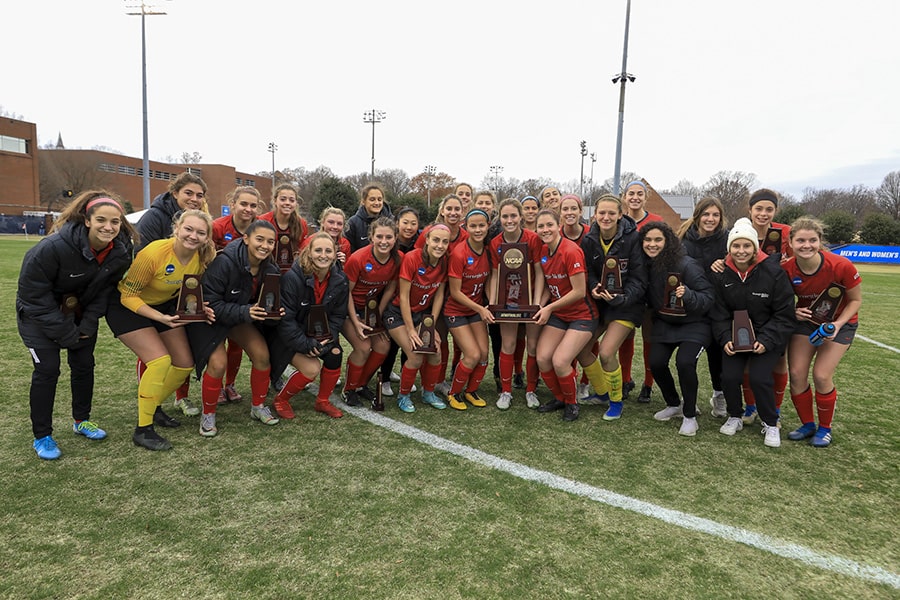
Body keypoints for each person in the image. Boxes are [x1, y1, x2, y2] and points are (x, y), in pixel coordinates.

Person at [17, 191, 136, 459]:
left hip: (81, 315)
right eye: (102, 220)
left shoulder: (120, 251)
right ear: (87, 220)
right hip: (38, 315)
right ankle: (43, 436)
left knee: (84, 366)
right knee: (47, 370)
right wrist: (64, 331)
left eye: (115, 222)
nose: (109, 227)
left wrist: (88, 323)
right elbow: (32, 296)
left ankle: (81, 420)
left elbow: (104, 291)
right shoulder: (52, 248)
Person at [108, 210, 217, 451]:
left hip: (163, 309)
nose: (193, 236)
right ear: (177, 228)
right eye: (188, 229)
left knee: (183, 364)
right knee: (159, 361)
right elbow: (128, 295)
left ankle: (153, 406)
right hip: (127, 308)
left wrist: (201, 308)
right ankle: (143, 429)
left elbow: (187, 293)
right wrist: (160, 318)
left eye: (201, 232)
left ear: (207, 237)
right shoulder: (154, 253)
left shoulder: (202, 257)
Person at [186, 220, 283, 436]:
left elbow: (270, 302)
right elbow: (210, 302)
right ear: (246, 239)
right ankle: (208, 413)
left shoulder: (270, 267)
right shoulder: (225, 262)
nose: (264, 246)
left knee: (262, 355)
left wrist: (275, 314)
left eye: (270, 242)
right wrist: (246, 312)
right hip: (211, 318)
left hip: (238, 316)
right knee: (218, 363)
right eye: (259, 239)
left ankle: (257, 407)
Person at [709, 218, 795, 448]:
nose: (741, 251)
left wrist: (766, 340)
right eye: (736, 246)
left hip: (767, 338)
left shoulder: (774, 273)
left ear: (754, 248)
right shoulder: (721, 274)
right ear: (729, 248)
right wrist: (725, 337)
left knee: (759, 377)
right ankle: (734, 416)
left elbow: (784, 314)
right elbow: (718, 313)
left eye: (746, 246)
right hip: (734, 337)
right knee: (729, 376)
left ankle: (770, 422)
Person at [782, 217, 862, 447]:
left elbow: (855, 301)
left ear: (820, 241)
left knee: (821, 375)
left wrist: (838, 325)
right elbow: (781, 301)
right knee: (797, 374)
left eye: (812, 240)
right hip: (806, 323)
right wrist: (793, 312)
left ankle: (825, 429)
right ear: (791, 242)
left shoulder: (841, 265)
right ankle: (807, 424)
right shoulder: (786, 269)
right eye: (800, 241)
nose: (806, 245)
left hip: (840, 324)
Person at [135, 171, 209, 417]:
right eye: (188, 193)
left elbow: (194, 268)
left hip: (172, 297)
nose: (194, 198)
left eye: (199, 195)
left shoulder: (201, 220)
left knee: (181, 359)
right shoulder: (155, 217)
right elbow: (142, 257)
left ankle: (157, 401)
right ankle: (148, 401)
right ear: (174, 193)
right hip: (144, 296)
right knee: (154, 356)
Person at [576, 193, 647, 420]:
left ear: (620, 215)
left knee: (606, 352)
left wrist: (623, 298)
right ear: (594, 215)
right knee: (582, 350)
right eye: (602, 213)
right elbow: (589, 272)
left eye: (611, 213)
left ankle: (616, 401)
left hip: (625, 305)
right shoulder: (589, 239)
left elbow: (640, 278)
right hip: (600, 304)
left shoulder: (633, 238)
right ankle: (603, 393)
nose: (606, 217)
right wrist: (594, 286)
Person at [641, 223, 715, 436]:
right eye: (648, 240)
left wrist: (689, 295)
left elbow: (708, 297)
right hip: (666, 322)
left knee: (685, 362)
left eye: (658, 240)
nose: (652, 245)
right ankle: (674, 404)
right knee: (655, 362)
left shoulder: (687, 265)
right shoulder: (646, 265)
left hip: (695, 323)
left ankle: (690, 415)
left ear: (668, 242)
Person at [271, 233, 349, 419]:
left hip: (319, 334)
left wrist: (327, 338)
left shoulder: (340, 278)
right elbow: (286, 320)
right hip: (290, 337)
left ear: (334, 254)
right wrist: (306, 344)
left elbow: (338, 315)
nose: (323, 255)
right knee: (312, 368)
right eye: (318, 250)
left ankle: (322, 401)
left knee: (335, 353)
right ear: (309, 252)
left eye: (328, 251)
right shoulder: (293, 277)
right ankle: (281, 400)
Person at [734, 188, 794, 424]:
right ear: (750, 210)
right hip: (749, 304)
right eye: (759, 208)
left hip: (779, 305)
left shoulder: (786, 233)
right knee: (748, 356)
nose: (763, 213)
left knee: (779, 359)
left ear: (775, 211)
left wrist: (790, 263)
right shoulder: (741, 232)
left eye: (769, 209)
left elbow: (801, 261)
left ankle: (775, 410)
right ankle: (750, 407)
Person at [532, 210, 598, 422]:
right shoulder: (544, 251)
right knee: (542, 358)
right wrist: (539, 306)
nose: (545, 230)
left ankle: (572, 403)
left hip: (582, 315)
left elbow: (579, 291)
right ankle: (560, 398)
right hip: (559, 315)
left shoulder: (570, 251)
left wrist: (549, 308)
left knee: (560, 361)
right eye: (541, 227)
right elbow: (548, 287)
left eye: (549, 225)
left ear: (558, 224)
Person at [384, 224, 451, 412]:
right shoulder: (412, 258)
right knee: (415, 354)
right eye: (436, 240)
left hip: (422, 316)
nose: (440, 245)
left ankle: (428, 392)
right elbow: (404, 297)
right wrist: (412, 330)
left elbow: (439, 295)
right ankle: (403, 395)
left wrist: (429, 325)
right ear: (427, 240)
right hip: (397, 313)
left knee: (435, 351)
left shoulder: (444, 261)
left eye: (445, 242)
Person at [211, 185, 264, 405]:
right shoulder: (217, 227)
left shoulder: (260, 227)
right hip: (220, 292)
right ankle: (216, 387)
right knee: (218, 342)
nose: (248, 209)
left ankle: (229, 385)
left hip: (246, 293)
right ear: (232, 205)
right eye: (243, 204)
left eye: (253, 205)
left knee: (237, 344)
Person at [342, 217, 402, 408]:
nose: (384, 241)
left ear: (395, 238)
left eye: (389, 237)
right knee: (363, 346)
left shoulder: (397, 258)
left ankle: (361, 385)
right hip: (346, 308)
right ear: (371, 237)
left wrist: (377, 317)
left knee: (383, 346)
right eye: (379, 236)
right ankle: (348, 389)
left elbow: (391, 289)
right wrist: (356, 320)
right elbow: (346, 293)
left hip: (371, 312)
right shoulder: (358, 258)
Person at [490, 198, 545, 410]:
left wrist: (537, 303)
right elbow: (495, 276)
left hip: (529, 302)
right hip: (508, 303)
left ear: (521, 217)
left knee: (532, 345)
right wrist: (496, 303)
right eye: (505, 216)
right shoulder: (496, 243)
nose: (509, 220)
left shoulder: (533, 239)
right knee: (508, 345)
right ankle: (506, 391)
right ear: (500, 218)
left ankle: (531, 390)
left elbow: (539, 272)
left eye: (513, 215)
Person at [678, 197, 729, 417]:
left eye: (715, 215)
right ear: (697, 216)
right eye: (706, 214)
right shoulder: (684, 240)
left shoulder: (727, 239)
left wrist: (727, 263)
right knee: (687, 357)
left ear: (721, 217)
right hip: (691, 305)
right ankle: (688, 399)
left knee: (717, 355)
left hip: (719, 305)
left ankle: (719, 396)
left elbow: (742, 262)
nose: (710, 219)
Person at [416, 194, 468, 396]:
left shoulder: (465, 235)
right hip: (429, 292)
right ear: (442, 210)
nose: (453, 213)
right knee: (431, 337)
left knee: (444, 337)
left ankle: (439, 379)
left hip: (453, 295)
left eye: (457, 209)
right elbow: (418, 260)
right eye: (449, 208)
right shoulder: (429, 232)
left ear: (462, 212)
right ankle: (428, 381)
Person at [619, 180, 664, 403]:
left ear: (646, 197)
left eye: (639, 194)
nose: (635, 197)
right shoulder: (620, 221)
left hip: (651, 286)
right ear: (624, 197)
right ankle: (626, 380)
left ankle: (648, 383)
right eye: (631, 193)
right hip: (627, 286)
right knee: (625, 335)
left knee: (649, 337)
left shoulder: (656, 221)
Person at [444, 209, 494, 410]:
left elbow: (489, 279)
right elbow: (455, 292)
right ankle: (453, 393)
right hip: (456, 310)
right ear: (466, 226)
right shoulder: (459, 253)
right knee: (472, 355)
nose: (478, 229)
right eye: (473, 226)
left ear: (488, 226)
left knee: (483, 354)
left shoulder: (489, 250)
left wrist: (490, 302)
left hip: (475, 309)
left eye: (481, 225)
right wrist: (480, 308)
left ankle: (471, 391)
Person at [379, 207, 421, 397]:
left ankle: (405, 374)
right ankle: (385, 377)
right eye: (405, 222)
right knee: (392, 342)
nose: (409, 227)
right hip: (390, 297)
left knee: (409, 341)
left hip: (410, 298)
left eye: (413, 223)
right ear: (397, 223)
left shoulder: (419, 243)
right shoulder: (389, 242)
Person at [259, 183, 310, 274]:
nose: (287, 203)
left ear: (295, 203)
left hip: (293, 273)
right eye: (283, 199)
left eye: (291, 200)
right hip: (265, 270)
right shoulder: (263, 221)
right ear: (275, 201)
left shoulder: (302, 224)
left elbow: (303, 251)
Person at [346, 182, 393, 253]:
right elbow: (350, 251)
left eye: (379, 199)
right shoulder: (353, 223)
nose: (377, 203)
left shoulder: (393, 221)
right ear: (363, 201)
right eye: (372, 199)